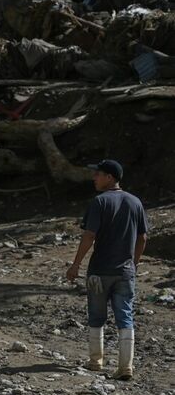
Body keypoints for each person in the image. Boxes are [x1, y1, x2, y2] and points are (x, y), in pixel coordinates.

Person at [66, 159, 148, 380]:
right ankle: (125, 366)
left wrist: (75, 265)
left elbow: (89, 236)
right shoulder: (135, 202)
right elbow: (142, 238)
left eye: (98, 174)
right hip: (125, 271)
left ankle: (96, 361)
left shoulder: (99, 202)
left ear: (110, 177)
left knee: (96, 315)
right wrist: (134, 262)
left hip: (100, 270)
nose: (94, 177)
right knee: (125, 316)